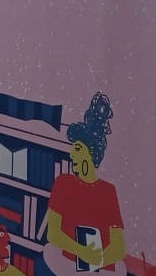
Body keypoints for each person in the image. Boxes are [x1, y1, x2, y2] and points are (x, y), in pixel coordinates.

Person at [43, 92, 127, 276]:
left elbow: (119, 246)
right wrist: (81, 251)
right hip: (68, 264)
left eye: (78, 149)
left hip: (101, 270)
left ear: (90, 153)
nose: (72, 154)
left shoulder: (107, 191)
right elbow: (53, 233)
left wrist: (97, 260)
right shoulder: (64, 183)